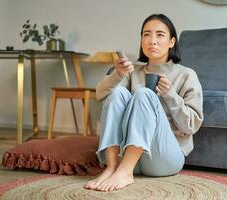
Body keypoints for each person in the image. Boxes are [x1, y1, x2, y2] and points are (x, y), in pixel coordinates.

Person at [84, 14, 203, 192]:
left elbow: (191, 126)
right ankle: (112, 167)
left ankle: (124, 172)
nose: (152, 40)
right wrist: (117, 74)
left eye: (160, 35)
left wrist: (171, 95)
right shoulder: (132, 72)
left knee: (143, 94)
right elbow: (101, 94)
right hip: (131, 159)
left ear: (171, 42)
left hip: (164, 160)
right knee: (116, 93)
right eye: (146, 34)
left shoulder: (186, 75)